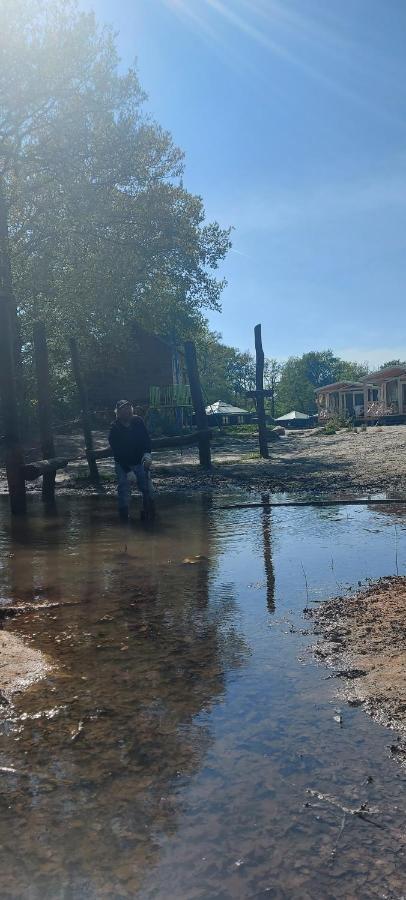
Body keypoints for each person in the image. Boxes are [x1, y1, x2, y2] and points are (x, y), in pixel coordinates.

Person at [108, 400, 154, 522]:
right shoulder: (114, 429)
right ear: (117, 413)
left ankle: (148, 517)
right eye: (123, 409)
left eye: (129, 408)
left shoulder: (138, 421)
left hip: (141, 462)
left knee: (148, 490)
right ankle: (124, 520)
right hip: (123, 465)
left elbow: (146, 440)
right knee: (124, 492)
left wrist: (147, 454)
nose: (127, 411)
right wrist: (128, 471)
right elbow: (117, 454)